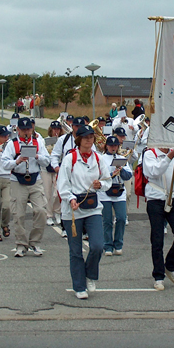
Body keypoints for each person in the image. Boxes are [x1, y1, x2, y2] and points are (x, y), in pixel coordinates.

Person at [57, 125, 112, 299]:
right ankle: (79, 286)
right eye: (85, 137)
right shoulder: (70, 158)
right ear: (79, 139)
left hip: (93, 207)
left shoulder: (98, 158)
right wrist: (70, 198)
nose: (89, 139)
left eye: (91, 136)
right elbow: (62, 184)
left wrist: (100, 185)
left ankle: (90, 275)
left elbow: (107, 180)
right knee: (75, 250)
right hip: (72, 210)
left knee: (97, 246)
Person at [1, 117, 51, 257]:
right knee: (18, 214)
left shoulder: (38, 142)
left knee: (41, 210)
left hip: (35, 179)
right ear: (18, 130)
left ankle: (35, 242)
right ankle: (21, 244)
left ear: (32, 129)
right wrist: (17, 161)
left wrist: (36, 156)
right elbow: (4, 163)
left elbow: (47, 161)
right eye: (23, 130)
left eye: (28, 129)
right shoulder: (12, 144)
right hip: (17, 179)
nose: (26, 132)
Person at [143, 146, 174, 291]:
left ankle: (170, 266)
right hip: (155, 199)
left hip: (173, 199)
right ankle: (158, 276)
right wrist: (169, 157)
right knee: (157, 239)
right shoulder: (150, 154)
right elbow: (154, 171)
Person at [99, 136, 132, 256]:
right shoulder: (101, 159)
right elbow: (98, 175)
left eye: (115, 146)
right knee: (107, 220)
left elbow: (128, 176)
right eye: (111, 145)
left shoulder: (122, 158)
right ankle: (108, 245)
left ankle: (118, 243)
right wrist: (111, 174)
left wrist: (121, 170)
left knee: (121, 218)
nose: (113, 148)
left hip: (119, 192)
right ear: (106, 146)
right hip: (105, 193)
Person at [43, 121, 63, 227]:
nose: (56, 131)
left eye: (58, 129)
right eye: (54, 129)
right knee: (47, 193)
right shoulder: (45, 140)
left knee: (57, 192)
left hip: (58, 168)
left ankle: (57, 212)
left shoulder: (62, 140)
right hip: (46, 169)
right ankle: (49, 215)